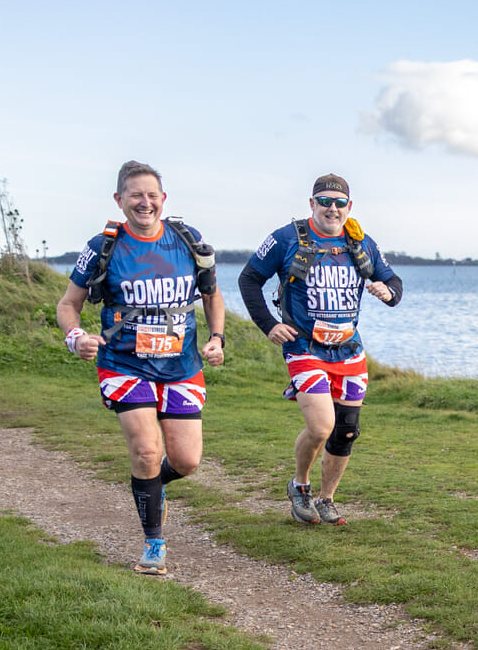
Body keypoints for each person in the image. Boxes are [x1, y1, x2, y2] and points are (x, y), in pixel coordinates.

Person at [56, 159, 226, 576]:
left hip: (181, 365)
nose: (144, 202)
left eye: (152, 195)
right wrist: (76, 337)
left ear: (163, 199)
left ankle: (152, 485)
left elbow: (212, 296)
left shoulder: (187, 240)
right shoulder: (104, 247)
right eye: (136, 195)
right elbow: (68, 304)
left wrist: (217, 338)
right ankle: (154, 544)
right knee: (147, 450)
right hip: (124, 364)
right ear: (119, 200)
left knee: (186, 461)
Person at [237, 173, 403, 527]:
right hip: (304, 348)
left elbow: (392, 281)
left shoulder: (361, 241)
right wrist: (269, 325)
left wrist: (388, 292)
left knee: (346, 430)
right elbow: (249, 279)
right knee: (321, 426)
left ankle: (326, 499)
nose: (332, 208)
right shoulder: (286, 238)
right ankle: (300, 485)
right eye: (324, 201)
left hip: (349, 350)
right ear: (312, 203)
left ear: (349, 206)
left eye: (339, 202)